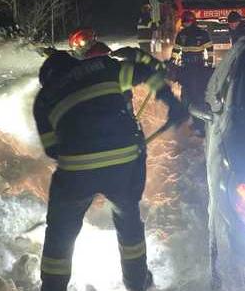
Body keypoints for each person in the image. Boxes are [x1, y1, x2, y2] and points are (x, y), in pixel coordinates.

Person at [34, 48, 187, 291]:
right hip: (124, 160)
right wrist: (172, 103)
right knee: (128, 220)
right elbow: (148, 73)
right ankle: (137, 282)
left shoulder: (43, 99)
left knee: (60, 232)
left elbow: (52, 149)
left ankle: (52, 287)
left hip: (76, 169)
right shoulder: (102, 67)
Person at [170, 11, 213, 135]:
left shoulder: (202, 34)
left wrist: (209, 64)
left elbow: (210, 50)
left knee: (198, 96)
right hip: (186, 68)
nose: (185, 23)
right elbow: (176, 50)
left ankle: (200, 125)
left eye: (187, 21)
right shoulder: (181, 34)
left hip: (198, 68)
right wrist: (172, 63)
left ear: (192, 21)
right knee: (185, 96)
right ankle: (188, 122)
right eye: (184, 21)